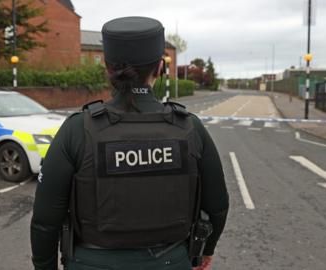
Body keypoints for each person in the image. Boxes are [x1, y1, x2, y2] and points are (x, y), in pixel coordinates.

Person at [31, 16, 229, 270]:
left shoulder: (78, 129)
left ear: (107, 67)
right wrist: (204, 251)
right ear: (160, 67)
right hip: (171, 261)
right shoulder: (190, 127)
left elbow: (45, 221)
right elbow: (218, 206)